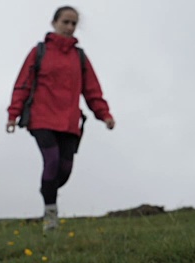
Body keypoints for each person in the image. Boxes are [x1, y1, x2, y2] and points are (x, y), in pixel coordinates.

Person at [6, 6, 115, 232]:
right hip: (41, 118)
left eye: (74, 23)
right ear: (54, 22)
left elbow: (92, 90)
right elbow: (23, 85)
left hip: (69, 122)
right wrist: (13, 115)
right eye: (65, 22)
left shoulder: (80, 57)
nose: (70, 27)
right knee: (52, 162)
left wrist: (104, 114)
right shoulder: (39, 52)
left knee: (64, 170)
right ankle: (50, 214)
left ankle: (48, 193)